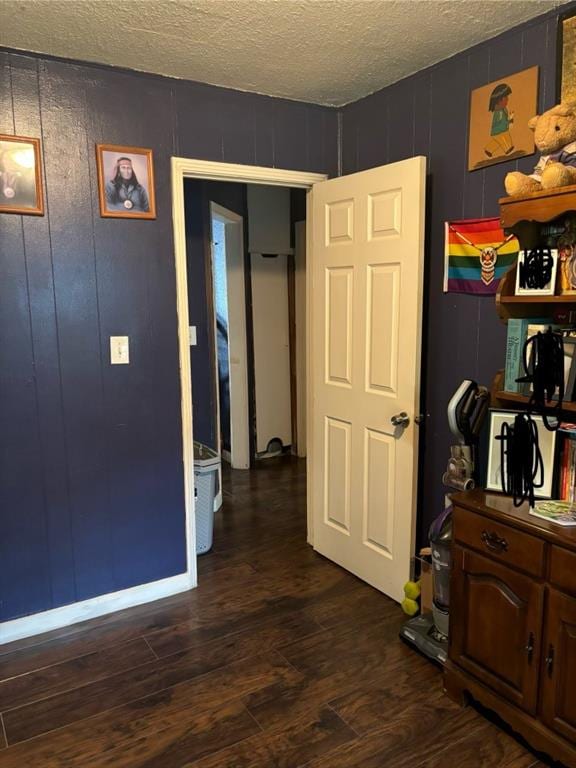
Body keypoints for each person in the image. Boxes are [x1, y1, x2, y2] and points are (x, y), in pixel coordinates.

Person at [484, 83, 515, 158]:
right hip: (499, 131)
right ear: (499, 100)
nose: (507, 99)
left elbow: (504, 120)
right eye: (505, 97)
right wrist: (510, 121)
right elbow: (501, 122)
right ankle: (508, 149)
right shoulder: (499, 112)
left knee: (497, 142)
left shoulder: (504, 110)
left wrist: (510, 119)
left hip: (501, 130)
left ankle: (488, 149)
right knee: (503, 139)